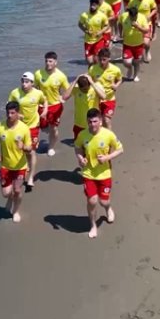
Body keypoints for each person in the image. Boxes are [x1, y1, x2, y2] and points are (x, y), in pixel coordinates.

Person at [74, 108, 123, 239]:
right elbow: (77, 147)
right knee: (92, 201)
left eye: (95, 121)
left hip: (105, 174)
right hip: (89, 173)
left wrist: (107, 158)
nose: (92, 124)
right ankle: (93, 225)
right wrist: (80, 158)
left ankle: (108, 209)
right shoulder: (83, 135)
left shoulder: (108, 135)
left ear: (100, 121)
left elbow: (120, 149)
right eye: (90, 122)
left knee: (103, 201)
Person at [0, 101, 33, 222]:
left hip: (20, 166)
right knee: (6, 193)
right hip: (5, 166)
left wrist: (23, 146)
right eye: (8, 113)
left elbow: (30, 148)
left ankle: (16, 211)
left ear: (18, 113)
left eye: (12, 113)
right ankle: (10, 199)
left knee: (17, 191)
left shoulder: (24, 129)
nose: (9, 115)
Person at [9, 72, 48, 189]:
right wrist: (17, 115)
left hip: (33, 127)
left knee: (31, 151)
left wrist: (45, 111)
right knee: (21, 150)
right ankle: (24, 167)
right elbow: (9, 106)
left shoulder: (38, 93)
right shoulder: (15, 93)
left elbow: (44, 101)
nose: (24, 84)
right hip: (19, 127)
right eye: (22, 81)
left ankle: (31, 177)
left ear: (32, 83)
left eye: (27, 82)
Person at [34, 52, 71, 156]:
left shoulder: (61, 76)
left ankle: (51, 147)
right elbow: (34, 88)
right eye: (46, 61)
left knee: (53, 128)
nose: (48, 63)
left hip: (55, 106)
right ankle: (47, 132)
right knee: (43, 127)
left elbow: (68, 90)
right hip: (41, 106)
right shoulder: (38, 73)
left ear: (55, 62)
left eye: (50, 61)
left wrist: (63, 98)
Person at [87, 48, 124, 128]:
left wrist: (116, 85)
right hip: (97, 99)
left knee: (107, 120)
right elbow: (89, 81)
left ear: (109, 59)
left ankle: (109, 139)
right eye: (100, 59)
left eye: (104, 60)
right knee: (98, 122)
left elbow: (120, 79)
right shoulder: (93, 69)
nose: (102, 62)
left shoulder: (115, 70)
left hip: (109, 99)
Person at [67, 73, 106, 143]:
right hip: (79, 124)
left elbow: (103, 96)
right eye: (82, 89)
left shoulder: (96, 87)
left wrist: (92, 83)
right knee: (78, 146)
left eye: (86, 88)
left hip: (93, 123)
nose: (85, 91)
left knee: (94, 144)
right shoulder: (76, 89)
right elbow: (64, 97)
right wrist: (75, 81)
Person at [119, 3, 151, 82]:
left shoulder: (142, 18)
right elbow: (119, 24)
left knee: (137, 62)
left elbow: (146, 30)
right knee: (126, 62)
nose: (133, 18)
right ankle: (129, 68)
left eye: (134, 17)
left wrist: (138, 27)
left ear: (137, 14)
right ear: (128, 14)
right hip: (127, 44)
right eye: (131, 17)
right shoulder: (124, 16)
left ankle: (135, 75)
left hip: (138, 44)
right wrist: (120, 33)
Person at [79, 0, 110, 65]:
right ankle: (91, 73)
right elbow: (80, 24)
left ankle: (97, 73)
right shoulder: (84, 15)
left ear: (98, 6)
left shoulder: (102, 16)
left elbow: (106, 26)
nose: (92, 7)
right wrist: (86, 31)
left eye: (94, 5)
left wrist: (101, 32)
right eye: (91, 5)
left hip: (98, 40)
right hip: (88, 41)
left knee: (96, 59)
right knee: (89, 61)